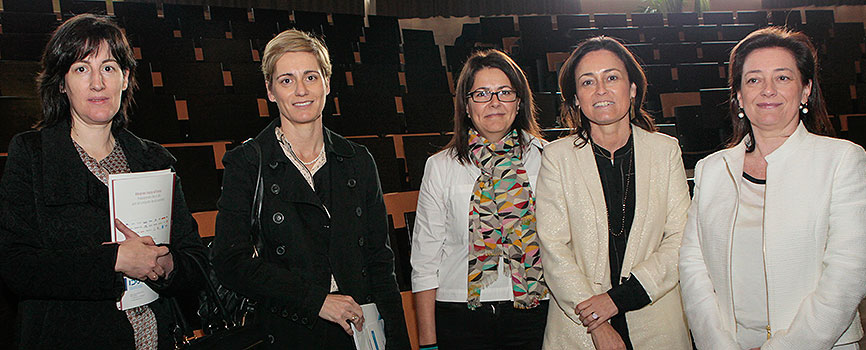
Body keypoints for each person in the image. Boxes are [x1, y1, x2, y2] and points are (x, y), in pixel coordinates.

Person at [0, 14, 207, 349]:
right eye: (82, 68)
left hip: (156, 339)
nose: (98, 82)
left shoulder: (155, 160)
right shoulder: (31, 155)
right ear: (62, 83)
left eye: (109, 68)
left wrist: (165, 264)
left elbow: (196, 261)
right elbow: (16, 266)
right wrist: (115, 261)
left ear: (125, 78)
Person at [679, 26, 866, 350]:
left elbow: (847, 274)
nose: (768, 90)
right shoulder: (712, 170)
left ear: (805, 91)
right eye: (754, 79)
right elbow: (693, 266)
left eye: (783, 78)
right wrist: (718, 344)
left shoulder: (842, 161)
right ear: (739, 96)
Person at [211, 28, 408, 349]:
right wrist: (317, 299)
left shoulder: (358, 160)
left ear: (327, 83)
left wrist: (398, 343)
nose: (301, 90)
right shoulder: (247, 163)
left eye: (311, 77)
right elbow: (230, 262)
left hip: (357, 331)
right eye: (286, 80)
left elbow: (380, 263)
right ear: (270, 91)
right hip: (288, 331)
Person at [535, 36, 692, 349]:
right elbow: (553, 248)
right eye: (588, 82)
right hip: (579, 325)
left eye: (612, 77)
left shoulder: (666, 151)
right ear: (576, 98)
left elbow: (680, 239)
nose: (601, 90)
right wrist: (597, 320)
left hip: (655, 316)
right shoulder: (556, 157)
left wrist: (616, 300)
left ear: (632, 90)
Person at [410, 49, 549, 350]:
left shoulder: (548, 158)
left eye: (504, 92)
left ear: (519, 101)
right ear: (467, 105)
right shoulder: (440, 166)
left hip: (535, 313)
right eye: (482, 93)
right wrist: (427, 342)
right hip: (459, 314)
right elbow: (425, 260)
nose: (495, 102)